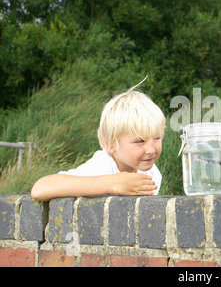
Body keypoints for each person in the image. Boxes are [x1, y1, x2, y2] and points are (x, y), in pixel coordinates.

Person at [31, 80, 166, 201]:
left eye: (156, 138)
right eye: (139, 141)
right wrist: (113, 184)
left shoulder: (151, 173)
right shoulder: (104, 165)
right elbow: (40, 188)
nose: (151, 150)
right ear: (109, 144)